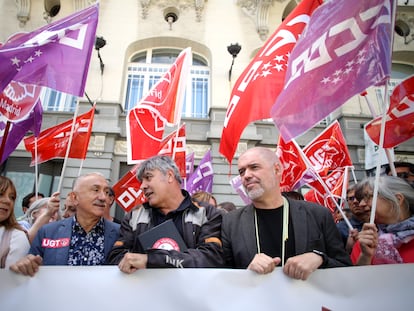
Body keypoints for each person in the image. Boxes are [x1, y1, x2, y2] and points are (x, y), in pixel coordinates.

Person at [221, 147, 352, 280]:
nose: (246, 176)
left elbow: (345, 267)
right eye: (242, 172)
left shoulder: (317, 215)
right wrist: (247, 274)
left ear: (277, 169)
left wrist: (319, 259)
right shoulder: (231, 222)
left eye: (254, 167)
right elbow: (223, 277)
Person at [107, 155, 224, 273]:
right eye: (141, 181)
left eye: (148, 178)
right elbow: (115, 257)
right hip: (144, 290)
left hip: (190, 290)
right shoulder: (134, 216)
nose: (142, 186)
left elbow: (212, 258)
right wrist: (131, 260)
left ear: (169, 176)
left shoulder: (206, 213)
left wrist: (152, 260)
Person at [10, 172, 120, 276]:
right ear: (74, 198)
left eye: (106, 192)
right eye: (96, 190)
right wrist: (27, 263)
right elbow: (31, 263)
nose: (103, 197)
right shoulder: (48, 232)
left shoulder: (120, 234)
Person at [351, 176, 414, 265]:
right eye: (361, 199)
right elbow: (358, 278)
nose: (361, 204)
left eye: (368, 197)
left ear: (398, 199)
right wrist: (365, 257)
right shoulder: (365, 242)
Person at [0, 176, 30, 269]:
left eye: (12, 197)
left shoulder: (16, 237)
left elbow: (13, 281)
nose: (7, 201)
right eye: (0, 194)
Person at [336, 183, 370, 253]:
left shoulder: (381, 221)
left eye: (359, 197)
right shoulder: (340, 228)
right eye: (351, 198)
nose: (355, 201)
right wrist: (349, 248)